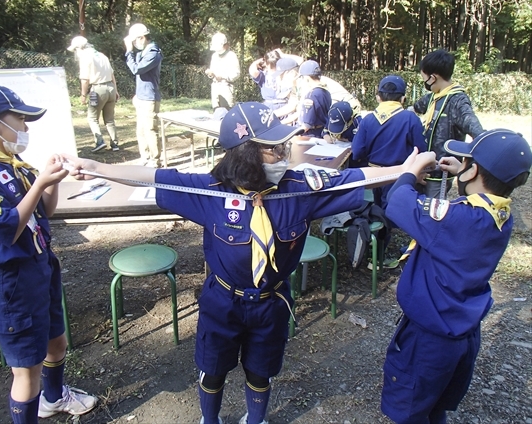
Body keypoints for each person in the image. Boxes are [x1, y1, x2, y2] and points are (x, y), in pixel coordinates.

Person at [62, 101, 434, 424]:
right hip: (222, 303)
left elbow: (355, 178)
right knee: (213, 370)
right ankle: (210, 417)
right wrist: (95, 165)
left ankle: (255, 417)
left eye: (283, 144)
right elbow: (153, 176)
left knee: (262, 371)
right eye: (274, 149)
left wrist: (405, 170)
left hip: (271, 303)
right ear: (246, 154)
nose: (285, 154)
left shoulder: (300, 190)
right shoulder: (207, 193)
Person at [0, 85, 97, 423]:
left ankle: (55, 398)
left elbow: (46, 211)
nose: (26, 128)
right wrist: (40, 183)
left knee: (56, 343)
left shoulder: (15, 165)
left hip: (39, 268)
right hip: (11, 284)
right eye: (21, 119)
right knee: (26, 372)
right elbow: (7, 229)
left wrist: (50, 180)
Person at [380, 128, 532, 424]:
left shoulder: (458, 220)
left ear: (473, 170)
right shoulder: (500, 216)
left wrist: (410, 172)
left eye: (466, 162)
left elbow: (399, 202)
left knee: (410, 412)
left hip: (428, 340)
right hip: (461, 334)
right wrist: (459, 176)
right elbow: (458, 215)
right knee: (435, 406)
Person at [412, 49, 484, 198]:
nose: (425, 83)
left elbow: (476, 130)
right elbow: (413, 109)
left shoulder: (457, 101)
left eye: (424, 78)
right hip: (422, 167)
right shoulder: (434, 96)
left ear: (433, 77)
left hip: (440, 172)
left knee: (432, 212)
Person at [352, 75, 427, 209]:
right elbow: (421, 149)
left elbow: (357, 152)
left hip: (374, 174)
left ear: (378, 97)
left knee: (378, 208)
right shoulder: (410, 118)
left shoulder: (368, 119)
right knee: (393, 208)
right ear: (403, 99)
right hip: (399, 174)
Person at [67, 36, 120, 152]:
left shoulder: (85, 57)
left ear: (79, 48)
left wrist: (83, 95)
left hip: (97, 89)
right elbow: (112, 75)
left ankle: (99, 141)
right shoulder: (102, 55)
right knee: (109, 119)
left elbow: (85, 79)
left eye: (75, 50)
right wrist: (115, 90)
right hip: (110, 87)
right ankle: (115, 144)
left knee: (92, 117)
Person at [125, 23, 163, 168]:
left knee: (150, 130)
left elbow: (137, 69)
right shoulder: (143, 52)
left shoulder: (153, 53)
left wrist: (129, 52)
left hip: (150, 98)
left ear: (142, 38)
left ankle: (155, 161)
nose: (133, 45)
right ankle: (145, 157)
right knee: (141, 131)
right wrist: (137, 95)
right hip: (141, 97)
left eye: (134, 41)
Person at [296, 60, 332, 137]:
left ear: (307, 78)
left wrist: (293, 133)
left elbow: (307, 125)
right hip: (322, 131)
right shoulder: (326, 91)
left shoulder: (311, 95)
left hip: (310, 134)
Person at [206, 32, 240, 112]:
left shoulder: (231, 55)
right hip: (215, 86)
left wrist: (223, 76)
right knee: (216, 111)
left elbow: (236, 73)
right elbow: (212, 70)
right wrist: (210, 74)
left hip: (226, 86)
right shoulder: (214, 56)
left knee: (227, 111)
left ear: (225, 45)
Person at [272, 57, 301, 125]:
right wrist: (270, 114)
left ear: (292, 73)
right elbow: (291, 106)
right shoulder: (295, 86)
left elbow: (301, 113)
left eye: (281, 75)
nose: (279, 79)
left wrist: (279, 124)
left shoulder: (305, 84)